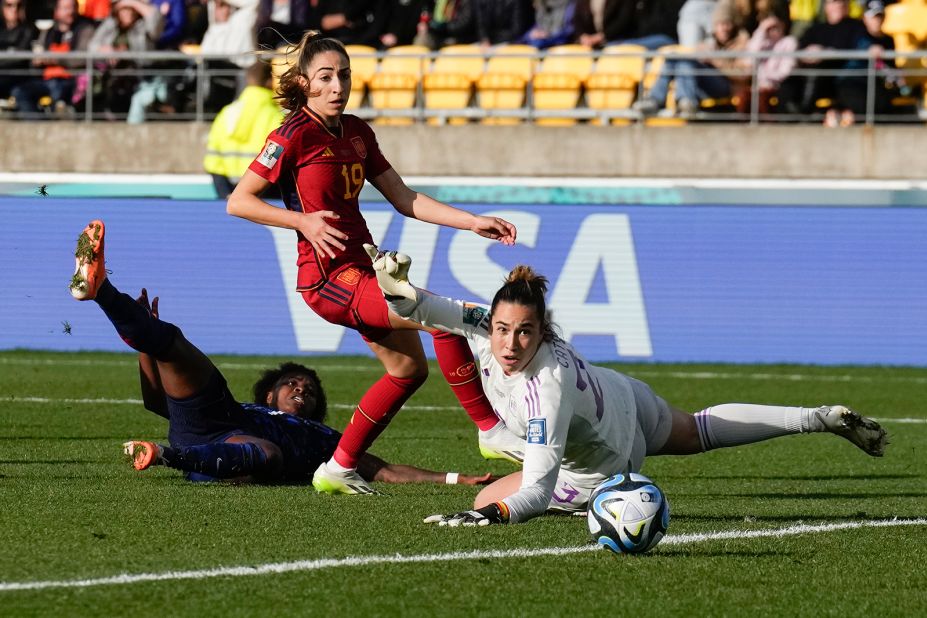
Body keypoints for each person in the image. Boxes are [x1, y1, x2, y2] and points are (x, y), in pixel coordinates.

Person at [367, 248, 888, 526]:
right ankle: (816, 418)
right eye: (502, 329)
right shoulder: (486, 321)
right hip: (624, 398)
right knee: (698, 429)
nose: (509, 342)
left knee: (488, 496)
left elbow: (538, 491)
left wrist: (489, 514)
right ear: (491, 321)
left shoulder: (546, 389)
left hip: (604, 465)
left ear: (542, 332)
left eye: (524, 332)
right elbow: (429, 308)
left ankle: (607, 500)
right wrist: (396, 289)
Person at [225, 32, 517, 497]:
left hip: (365, 270)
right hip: (328, 279)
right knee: (444, 319)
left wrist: (471, 221)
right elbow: (239, 201)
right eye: (325, 77)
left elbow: (404, 197)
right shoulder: (291, 135)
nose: (337, 86)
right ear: (304, 83)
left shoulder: (358, 132)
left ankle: (339, 467)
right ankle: (490, 429)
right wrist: (301, 221)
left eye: (344, 75)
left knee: (408, 371)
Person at [67, 220, 493, 489]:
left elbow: (384, 470)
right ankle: (100, 289)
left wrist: (454, 478)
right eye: (292, 383)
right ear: (269, 394)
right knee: (170, 342)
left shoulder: (326, 440)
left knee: (269, 455)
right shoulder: (247, 409)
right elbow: (156, 402)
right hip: (214, 421)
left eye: (309, 390)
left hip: (230, 449)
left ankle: (164, 456)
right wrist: (147, 349)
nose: (301, 390)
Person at [633, 2, 748, 118]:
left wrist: (715, 61)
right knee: (674, 58)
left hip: (726, 86)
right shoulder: (710, 42)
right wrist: (700, 55)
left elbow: (744, 75)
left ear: (734, 25)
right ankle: (657, 100)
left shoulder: (742, 42)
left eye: (727, 24)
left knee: (687, 61)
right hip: (703, 83)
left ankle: (684, 101)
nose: (723, 28)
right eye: (719, 24)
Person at [204, 61, 284, 198]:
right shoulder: (277, 117)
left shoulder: (227, 112)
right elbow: (276, 162)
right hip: (265, 195)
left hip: (230, 191)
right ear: (270, 81)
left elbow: (213, 160)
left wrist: (226, 195)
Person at [11, 0, 95, 118]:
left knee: (58, 98)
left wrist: (53, 59)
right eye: (65, 8)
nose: (70, 12)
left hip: (70, 80)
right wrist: (37, 60)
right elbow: (36, 56)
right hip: (47, 80)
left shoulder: (85, 29)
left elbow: (80, 59)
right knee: (20, 92)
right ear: (56, 11)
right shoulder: (49, 32)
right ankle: (37, 124)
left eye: (72, 7)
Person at [88, 0, 165, 118]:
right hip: (110, 78)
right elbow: (92, 46)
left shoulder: (142, 27)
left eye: (131, 9)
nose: (128, 13)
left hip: (138, 77)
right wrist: (107, 50)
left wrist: (132, 2)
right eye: (124, 9)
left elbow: (156, 18)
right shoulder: (110, 25)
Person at [735, 12, 797, 115]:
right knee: (744, 97)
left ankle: (767, 124)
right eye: (769, 28)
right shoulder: (763, 43)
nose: (773, 31)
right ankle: (742, 123)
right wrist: (761, 30)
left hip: (778, 86)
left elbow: (785, 71)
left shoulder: (789, 42)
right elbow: (750, 59)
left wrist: (765, 77)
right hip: (759, 86)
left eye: (775, 27)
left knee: (762, 99)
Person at [0, 0, 36, 100]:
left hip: (17, 77)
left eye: (18, 5)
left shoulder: (29, 30)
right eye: (9, 5)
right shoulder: (1, 30)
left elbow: (19, 57)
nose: (14, 9)